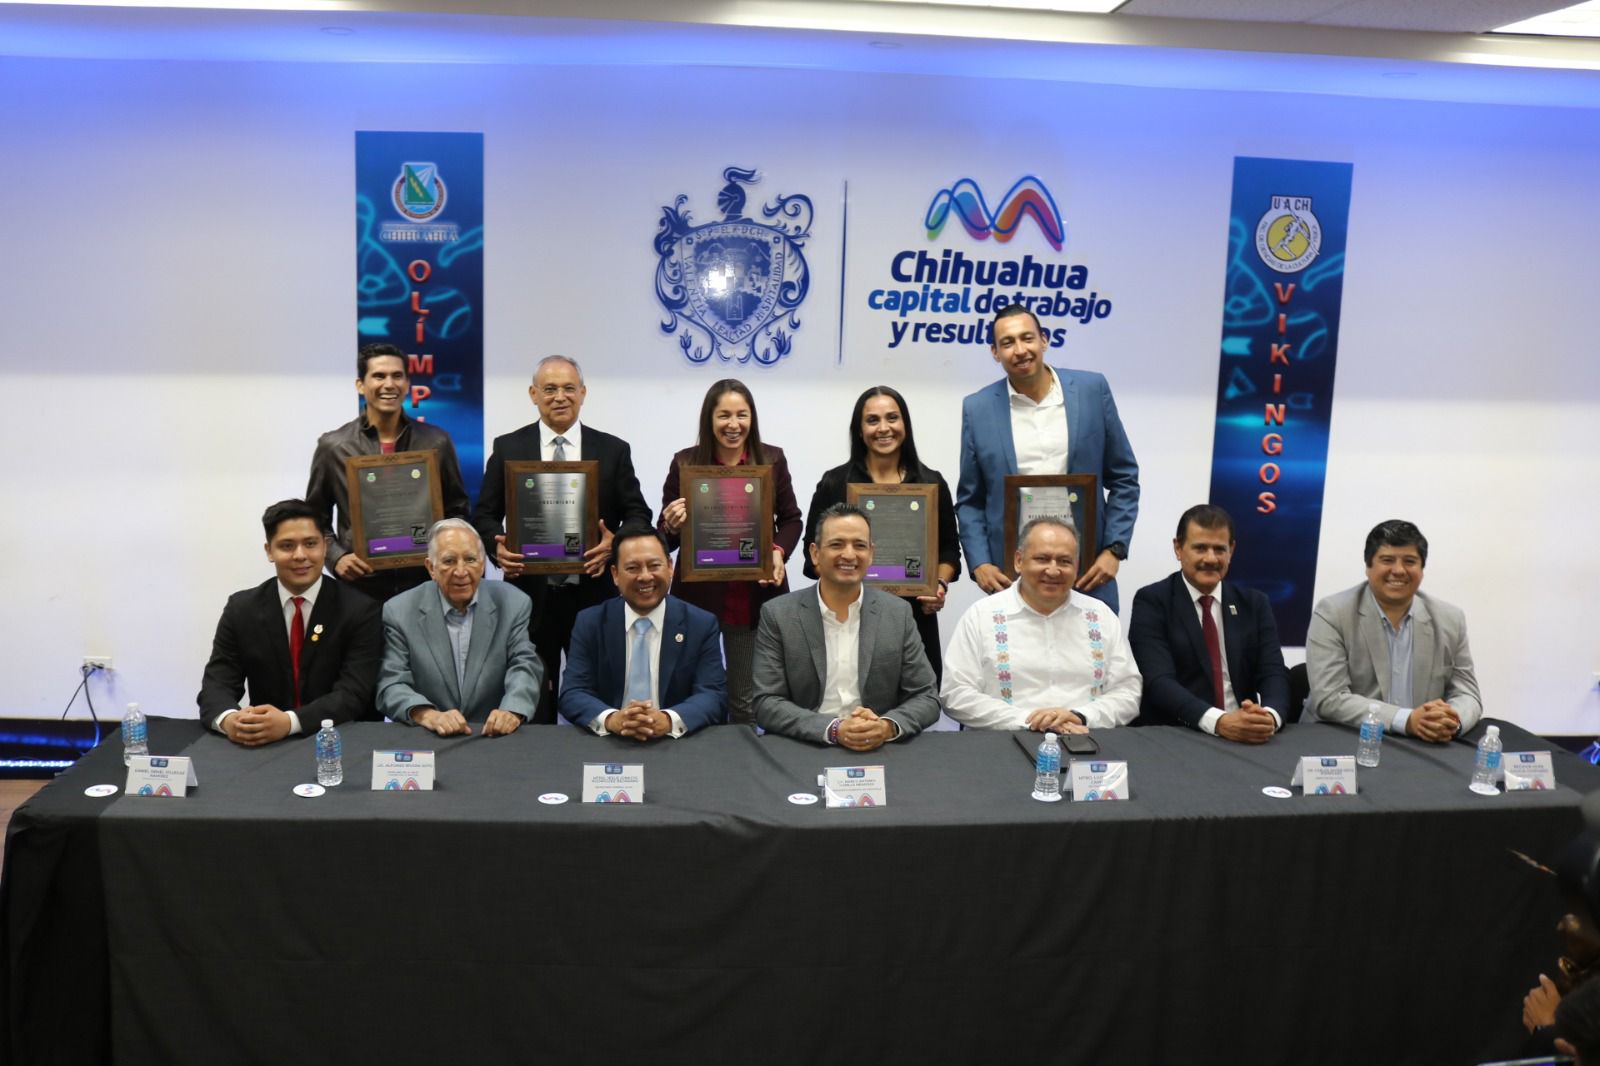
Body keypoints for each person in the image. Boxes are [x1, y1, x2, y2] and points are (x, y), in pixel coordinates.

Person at [472, 355, 652, 723]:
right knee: (532, 701)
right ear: (533, 394)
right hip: (529, 598)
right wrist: (497, 548)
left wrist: (614, 544)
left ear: (583, 393)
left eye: (569, 388)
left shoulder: (613, 450)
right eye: (550, 389)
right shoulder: (508, 447)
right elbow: (484, 516)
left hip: (592, 595)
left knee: (598, 700)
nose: (560, 397)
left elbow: (639, 515)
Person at [955, 304, 1140, 612]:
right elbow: (970, 500)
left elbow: (1124, 478)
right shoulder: (978, 408)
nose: (1020, 350)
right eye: (1007, 343)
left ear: (1044, 340)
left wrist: (1114, 549)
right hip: (1013, 576)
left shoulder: (1092, 391)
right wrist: (980, 563)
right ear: (995, 352)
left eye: (1027, 338)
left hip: (1088, 572)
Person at [658, 378, 802, 726]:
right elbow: (664, 537)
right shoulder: (685, 463)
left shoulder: (772, 459)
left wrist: (777, 551)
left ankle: (742, 758)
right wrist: (671, 525)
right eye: (724, 415)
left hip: (753, 595)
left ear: (752, 418)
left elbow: (791, 519)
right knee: (695, 695)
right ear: (709, 419)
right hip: (698, 597)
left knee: (745, 702)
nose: (733, 424)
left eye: (742, 415)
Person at [801, 385, 960, 682]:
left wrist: (937, 584)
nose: (884, 428)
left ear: (905, 425)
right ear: (860, 430)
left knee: (918, 698)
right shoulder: (835, 483)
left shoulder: (931, 482)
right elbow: (811, 552)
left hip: (914, 617)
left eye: (892, 418)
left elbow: (950, 548)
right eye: (872, 420)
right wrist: (844, 575)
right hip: (847, 616)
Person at [753, 503, 940, 750]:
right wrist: (833, 729)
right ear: (815, 553)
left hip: (878, 747)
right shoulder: (778, 614)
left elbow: (926, 697)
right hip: (806, 746)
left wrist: (886, 726)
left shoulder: (897, 613)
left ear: (871, 553)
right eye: (837, 544)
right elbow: (766, 702)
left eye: (859, 545)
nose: (849, 555)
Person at [197, 499, 382, 746]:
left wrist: (290, 722)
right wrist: (230, 720)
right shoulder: (241, 609)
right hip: (266, 746)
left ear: (325, 546)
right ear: (269, 551)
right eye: (287, 546)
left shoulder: (361, 609)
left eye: (310, 544)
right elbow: (217, 684)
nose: (300, 555)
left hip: (343, 740)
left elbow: (354, 693)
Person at [305, 342, 471, 602]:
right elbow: (314, 519)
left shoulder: (436, 442)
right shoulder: (334, 446)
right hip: (361, 586)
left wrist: (446, 556)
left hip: (424, 583)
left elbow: (457, 510)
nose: (389, 384)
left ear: (407, 383)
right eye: (379, 376)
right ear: (361, 385)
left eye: (397, 376)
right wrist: (336, 557)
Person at [943, 516, 1141, 731]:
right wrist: (1028, 720)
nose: (1053, 570)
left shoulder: (1101, 616)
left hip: (1086, 739)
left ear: (1077, 566)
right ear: (1019, 561)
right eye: (1042, 559)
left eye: (1064, 561)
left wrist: (1081, 717)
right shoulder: (981, 616)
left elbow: (1127, 691)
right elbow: (956, 694)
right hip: (1002, 740)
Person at [1305, 519, 1482, 740]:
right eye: (1387, 560)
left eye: (1410, 561)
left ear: (1422, 570)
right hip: (1344, 738)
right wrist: (1406, 720)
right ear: (1368, 567)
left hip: (1423, 742)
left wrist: (1449, 720)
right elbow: (1330, 698)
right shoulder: (1333, 613)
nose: (1398, 570)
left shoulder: (1450, 619)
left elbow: (1468, 694)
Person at [1127, 504, 1289, 742]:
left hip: (1246, 733)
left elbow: (1273, 672)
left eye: (1219, 549)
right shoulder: (1152, 601)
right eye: (1200, 548)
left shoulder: (1254, 604)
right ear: (1178, 548)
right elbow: (1159, 682)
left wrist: (1268, 718)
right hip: (1180, 735)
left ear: (1231, 550)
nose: (1211, 558)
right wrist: (1220, 722)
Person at [375, 518, 542, 737]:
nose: (461, 571)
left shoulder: (513, 603)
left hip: (492, 736)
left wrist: (512, 710)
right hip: (429, 736)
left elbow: (524, 665)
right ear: (431, 568)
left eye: (470, 559)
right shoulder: (399, 611)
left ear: (482, 564)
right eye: (449, 561)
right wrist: (428, 715)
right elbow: (391, 683)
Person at [558, 525, 727, 739]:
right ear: (615, 574)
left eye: (654, 565)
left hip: (676, 743)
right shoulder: (590, 622)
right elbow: (573, 692)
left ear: (670, 566)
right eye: (633, 568)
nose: (645, 577)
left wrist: (668, 720)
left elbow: (713, 695)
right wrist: (612, 719)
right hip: (609, 743)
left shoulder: (700, 624)